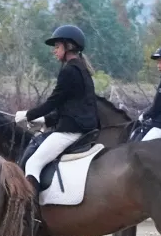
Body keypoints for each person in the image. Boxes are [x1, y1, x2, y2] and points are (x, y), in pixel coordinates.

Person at [15, 25, 99, 198]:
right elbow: (70, 106)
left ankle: (30, 211)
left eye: (57, 46)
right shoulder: (82, 70)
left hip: (70, 130)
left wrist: (27, 115)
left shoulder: (69, 71)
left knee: (33, 163)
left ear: (69, 46)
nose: (54, 51)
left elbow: (53, 101)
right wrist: (45, 121)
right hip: (82, 126)